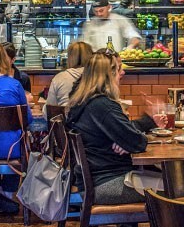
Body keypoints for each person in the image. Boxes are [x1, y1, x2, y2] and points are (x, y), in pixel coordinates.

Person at [65, 53, 162, 205]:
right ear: (109, 75)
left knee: (166, 178)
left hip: (96, 179)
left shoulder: (84, 102)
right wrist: (127, 141)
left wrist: (124, 140)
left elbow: (128, 137)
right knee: (176, 187)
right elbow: (138, 143)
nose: (121, 75)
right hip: (107, 183)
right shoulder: (103, 105)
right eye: (118, 70)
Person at [0, 42, 32, 214]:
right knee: (17, 141)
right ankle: (7, 196)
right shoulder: (14, 84)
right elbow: (27, 119)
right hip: (12, 149)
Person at [45, 41, 93, 110]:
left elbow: (49, 110)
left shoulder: (59, 78)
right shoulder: (97, 78)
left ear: (70, 57)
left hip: (65, 119)